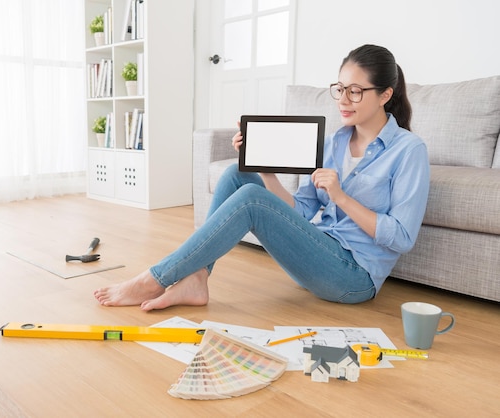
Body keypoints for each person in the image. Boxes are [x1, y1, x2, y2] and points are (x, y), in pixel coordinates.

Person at [94, 44, 430, 311]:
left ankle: (154, 279)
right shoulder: (335, 142)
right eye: (340, 88)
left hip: (354, 277)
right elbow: (299, 213)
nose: (343, 100)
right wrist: (266, 172)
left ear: (385, 95)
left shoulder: (408, 151)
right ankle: (196, 277)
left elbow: (402, 237)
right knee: (239, 174)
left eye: (355, 91)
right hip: (318, 252)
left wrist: (341, 197)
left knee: (251, 202)